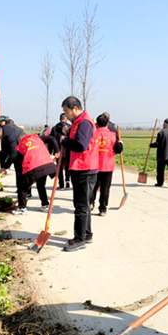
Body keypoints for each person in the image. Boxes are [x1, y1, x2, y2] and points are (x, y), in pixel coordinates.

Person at [60, 96, 98, 252]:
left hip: (85, 169)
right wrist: (68, 134)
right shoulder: (78, 122)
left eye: (67, 111)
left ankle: (80, 239)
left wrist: (64, 140)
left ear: (75, 108)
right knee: (83, 205)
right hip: (81, 168)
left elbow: (81, 145)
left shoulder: (84, 123)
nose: (66, 115)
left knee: (81, 206)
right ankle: (87, 234)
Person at [11, 133, 59, 215]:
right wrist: (57, 151)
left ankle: (22, 208)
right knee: (41, 185)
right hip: (46, 164)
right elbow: (51, 138)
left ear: (21, 140)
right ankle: (45, 205)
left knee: (22, 186)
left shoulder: (21, 146)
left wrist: (21, 177)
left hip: (34, 166)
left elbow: (18, 163)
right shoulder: (37, 138)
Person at [90, 113, 123, 216]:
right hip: (107, 165)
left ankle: (90, 203)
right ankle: (103, 209)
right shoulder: (113, 135)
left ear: (97, 124)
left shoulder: (92, 134)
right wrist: (120, 143)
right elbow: (118, 150)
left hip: (94, 164)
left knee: (93, 186)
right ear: (107, 123)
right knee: (105, 188)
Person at [150, 118, 168, 188]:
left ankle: (160, 182)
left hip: (162, 155)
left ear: (164, 124)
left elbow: (158, 143)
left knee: (160, 169)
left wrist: (151, 145)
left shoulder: (161, 132)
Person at [51, 113, 71, 189]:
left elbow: (51, 140)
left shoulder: (54, 128)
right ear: (66, 119)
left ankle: (61, 183)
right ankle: (67, 180)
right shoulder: (69, 127)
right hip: (68, 150)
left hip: (58, 151)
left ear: (60, 119)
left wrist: (52, 150)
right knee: (67, 166)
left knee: (59, 167)